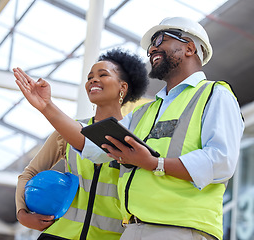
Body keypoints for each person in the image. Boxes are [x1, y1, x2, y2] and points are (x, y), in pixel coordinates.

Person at [97, 17, 244, 240]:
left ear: (189, 48)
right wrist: (46, 107)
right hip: (132, 229)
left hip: (182, 230)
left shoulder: (215, 95)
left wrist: (155, 164)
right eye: (150, 45)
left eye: (159, 39)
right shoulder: (144, 112)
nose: (152, 48)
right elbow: (92, 148)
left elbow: (221, 161)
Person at [14, 48, 149, 240]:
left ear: (123, 87)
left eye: (103, 74)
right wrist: (22, 213)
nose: (93, 80)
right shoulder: (66, 132)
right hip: (59, 235)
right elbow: (29, 173)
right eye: (90, 77)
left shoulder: (137, 137)